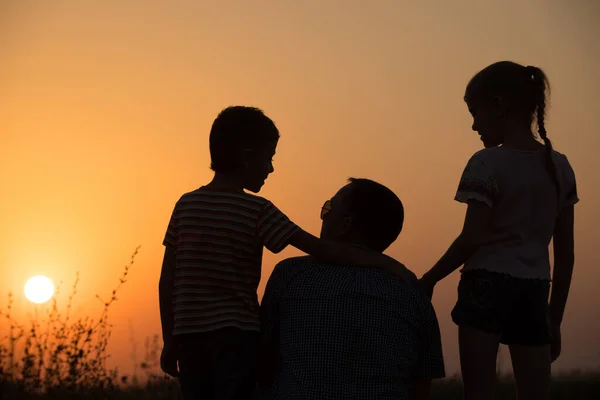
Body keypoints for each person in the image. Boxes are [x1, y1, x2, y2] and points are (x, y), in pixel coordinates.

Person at [158, 106, 416, 400]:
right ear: (247, 156)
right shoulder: (258, 210)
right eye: (269, 158)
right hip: (237, 339)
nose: (271, 168)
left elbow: (167, 281)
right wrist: (389, 264)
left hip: (190, 338)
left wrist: (170, 338)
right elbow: (323, 250)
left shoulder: (186, 205)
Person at [419, 61, 578, 400]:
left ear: (500, 104)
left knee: (478, 393)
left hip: (485, 286)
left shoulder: (486, 162)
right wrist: (554, 319)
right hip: (534, 291)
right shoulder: (560, 167)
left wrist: (430, 278)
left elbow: (471, 239)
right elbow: (565, 257)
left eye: (475, 112)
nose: (474, 125)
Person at [260, 178, 445, 400]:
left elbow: (262, 360)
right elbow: (421, 387)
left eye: (328, 208)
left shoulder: (291, 274)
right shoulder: (413, 294)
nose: (323, 214)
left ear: (345, 225)